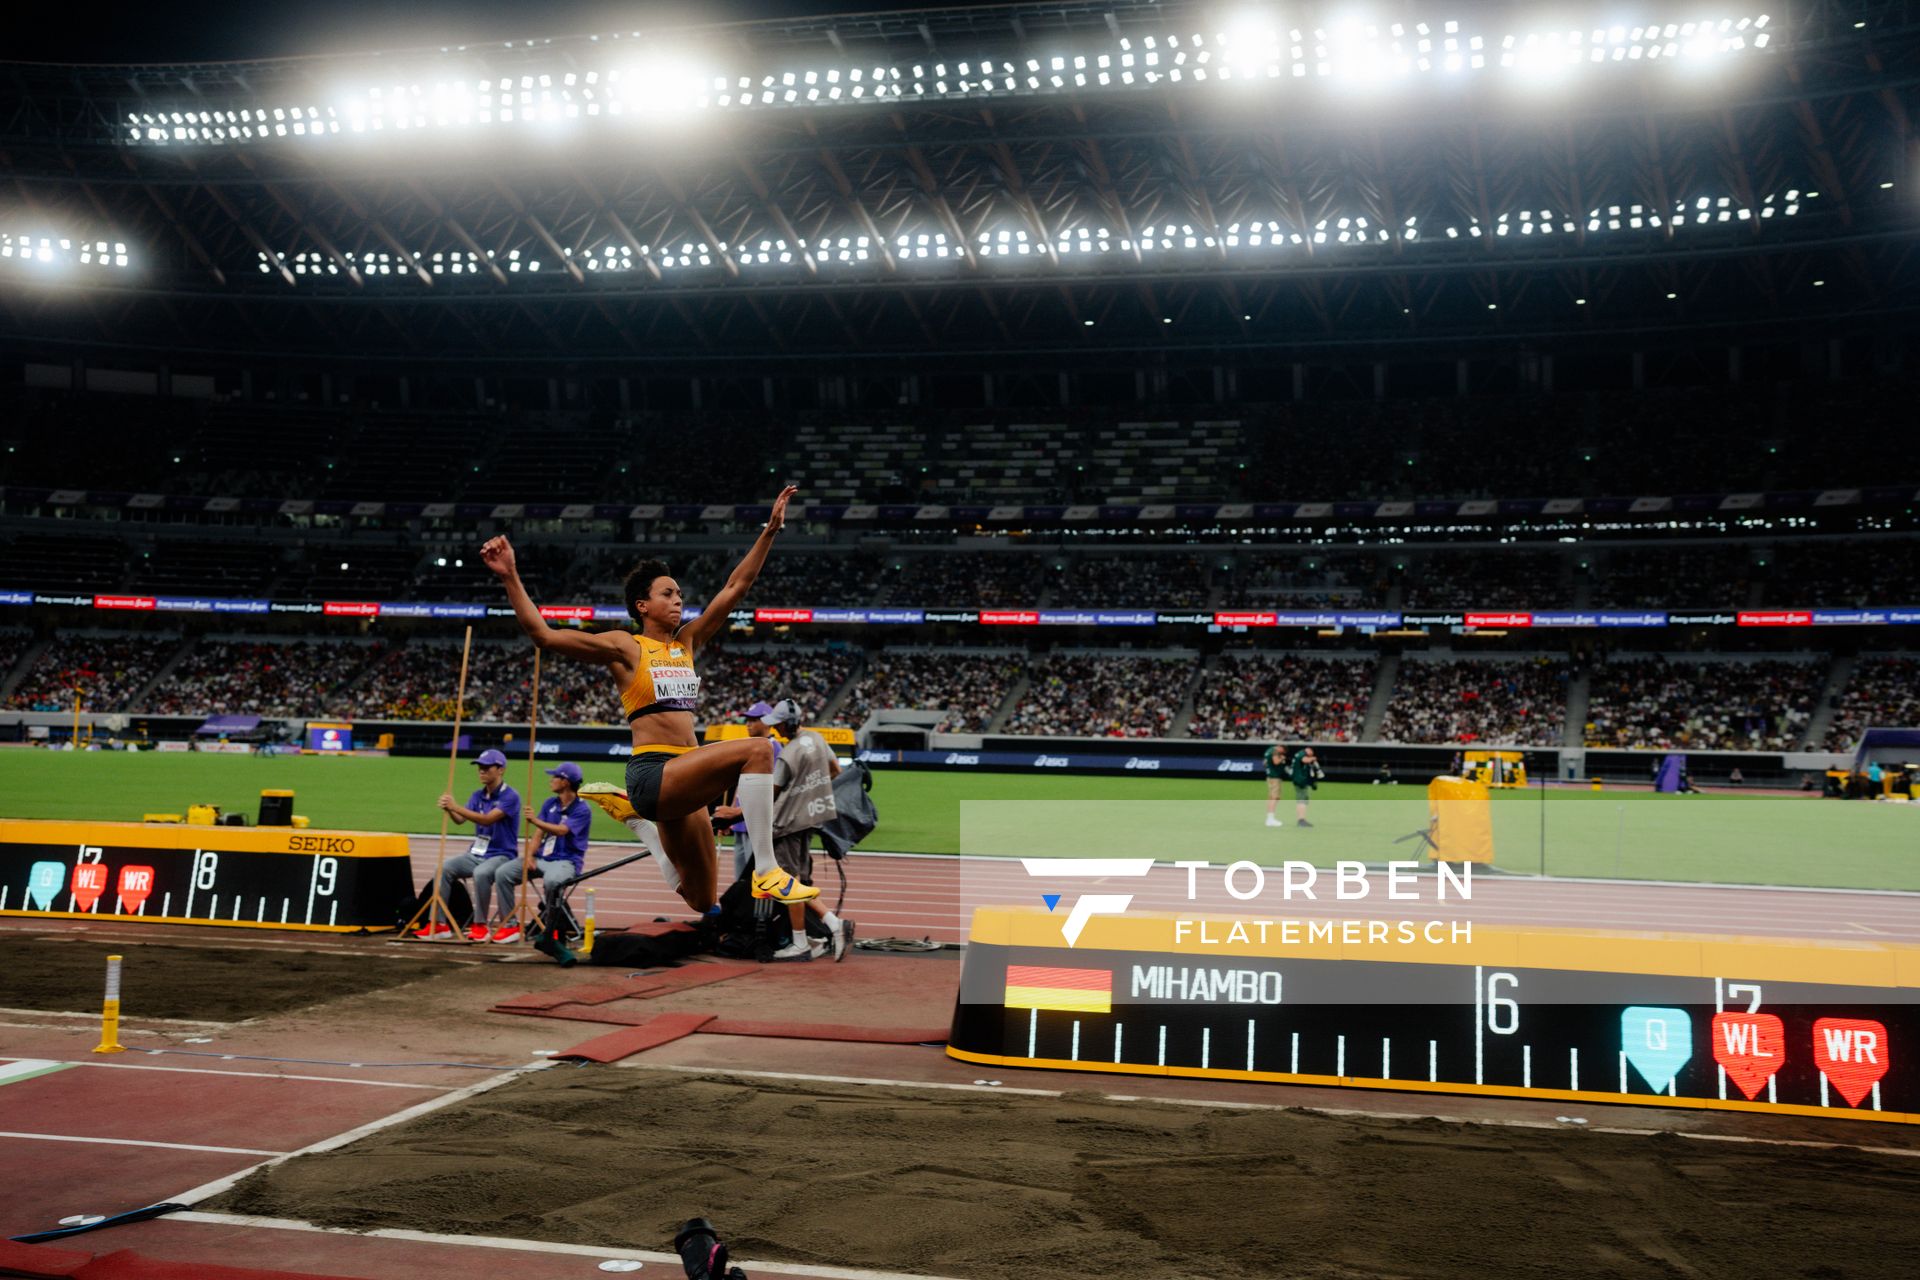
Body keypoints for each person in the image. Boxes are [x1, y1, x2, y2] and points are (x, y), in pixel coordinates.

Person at [478, 485, 818, 920]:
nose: (678, 600)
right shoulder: (627, 647)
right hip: (654, 773)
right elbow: (544, 636)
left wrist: (770, 530)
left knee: (703, 901)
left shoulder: (688, 641)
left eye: (680, 594)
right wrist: (509, 576)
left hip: (685, 780)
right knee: (758, 748)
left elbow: (737, 586)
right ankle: (767, 869)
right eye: (668, 593)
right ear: (643, 605)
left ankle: (643, 830)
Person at [762, 699, 854, 961]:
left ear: (786, 723)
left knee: (788, 883)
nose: (775, 729)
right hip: (810, 819)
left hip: (786, 824)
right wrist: (810, 792)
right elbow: (835, 769)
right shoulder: (817, 739)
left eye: (777, 724)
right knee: (798, 880)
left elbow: (772, 793)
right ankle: (804, 938)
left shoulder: (788, 754)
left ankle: (828, 925)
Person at [418, 748, 523, 942]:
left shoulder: (510, 796)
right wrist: (449, 808)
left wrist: (455, 807)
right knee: (442, 868)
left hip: (501, 855)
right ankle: (439, 924)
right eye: (479, 768)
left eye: (486, 767)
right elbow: (460, 819)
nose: (481, 771)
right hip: (476, 853)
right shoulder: (477, 795)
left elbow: (486, 820)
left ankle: (480, 925)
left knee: (481, 873)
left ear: (500, 769)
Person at [503, 761, 592, 932]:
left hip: (567, 862)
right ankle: (509, 925)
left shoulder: (582, 809)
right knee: (503, 873)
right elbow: (538, 834)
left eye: (555, 777)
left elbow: (562, 830)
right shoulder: (550, 803)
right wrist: (529, 856)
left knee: (552, 881)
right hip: (543, 858)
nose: (551, 780)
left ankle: (551, 929)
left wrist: (535, 820)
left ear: (565, 782)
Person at [710, 702, 782, 881]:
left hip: (758, 824)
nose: (748, 724)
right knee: (741, 879)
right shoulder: (750, 747)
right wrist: (730, 817)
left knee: (757, 877)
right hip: (741, 822)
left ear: (767, 721)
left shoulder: (774, 749)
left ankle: (758, 910)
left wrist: (735, 813)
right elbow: (741, 787)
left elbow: (774, 791)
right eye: (747, 720)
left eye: (753, 720)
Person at [1289, 745, 1322, 828]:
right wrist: (1313, 759)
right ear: (1309, 750)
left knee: (1303, 800)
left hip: (1300, 780)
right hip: (1300, 781)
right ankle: (1301, 820)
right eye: (1311, 753)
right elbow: (1305, 760)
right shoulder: (1301, 754)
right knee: (1301, 800)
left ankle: (1302, 819)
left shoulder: (1300, 754)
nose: (1311, 755)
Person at [1263, 740, 1287, 828]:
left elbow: (1264, 763)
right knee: (1275, 798)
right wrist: (1282, 758)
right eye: (1283, 751)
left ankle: (1269, 818)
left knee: (1271, 797)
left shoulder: (1269, 750)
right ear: (1281, 748)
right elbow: (1276, 761)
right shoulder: (1275, 751)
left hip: (1270, 776)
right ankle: (1270, 819)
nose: (1282, 753)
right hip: (1275, 777)